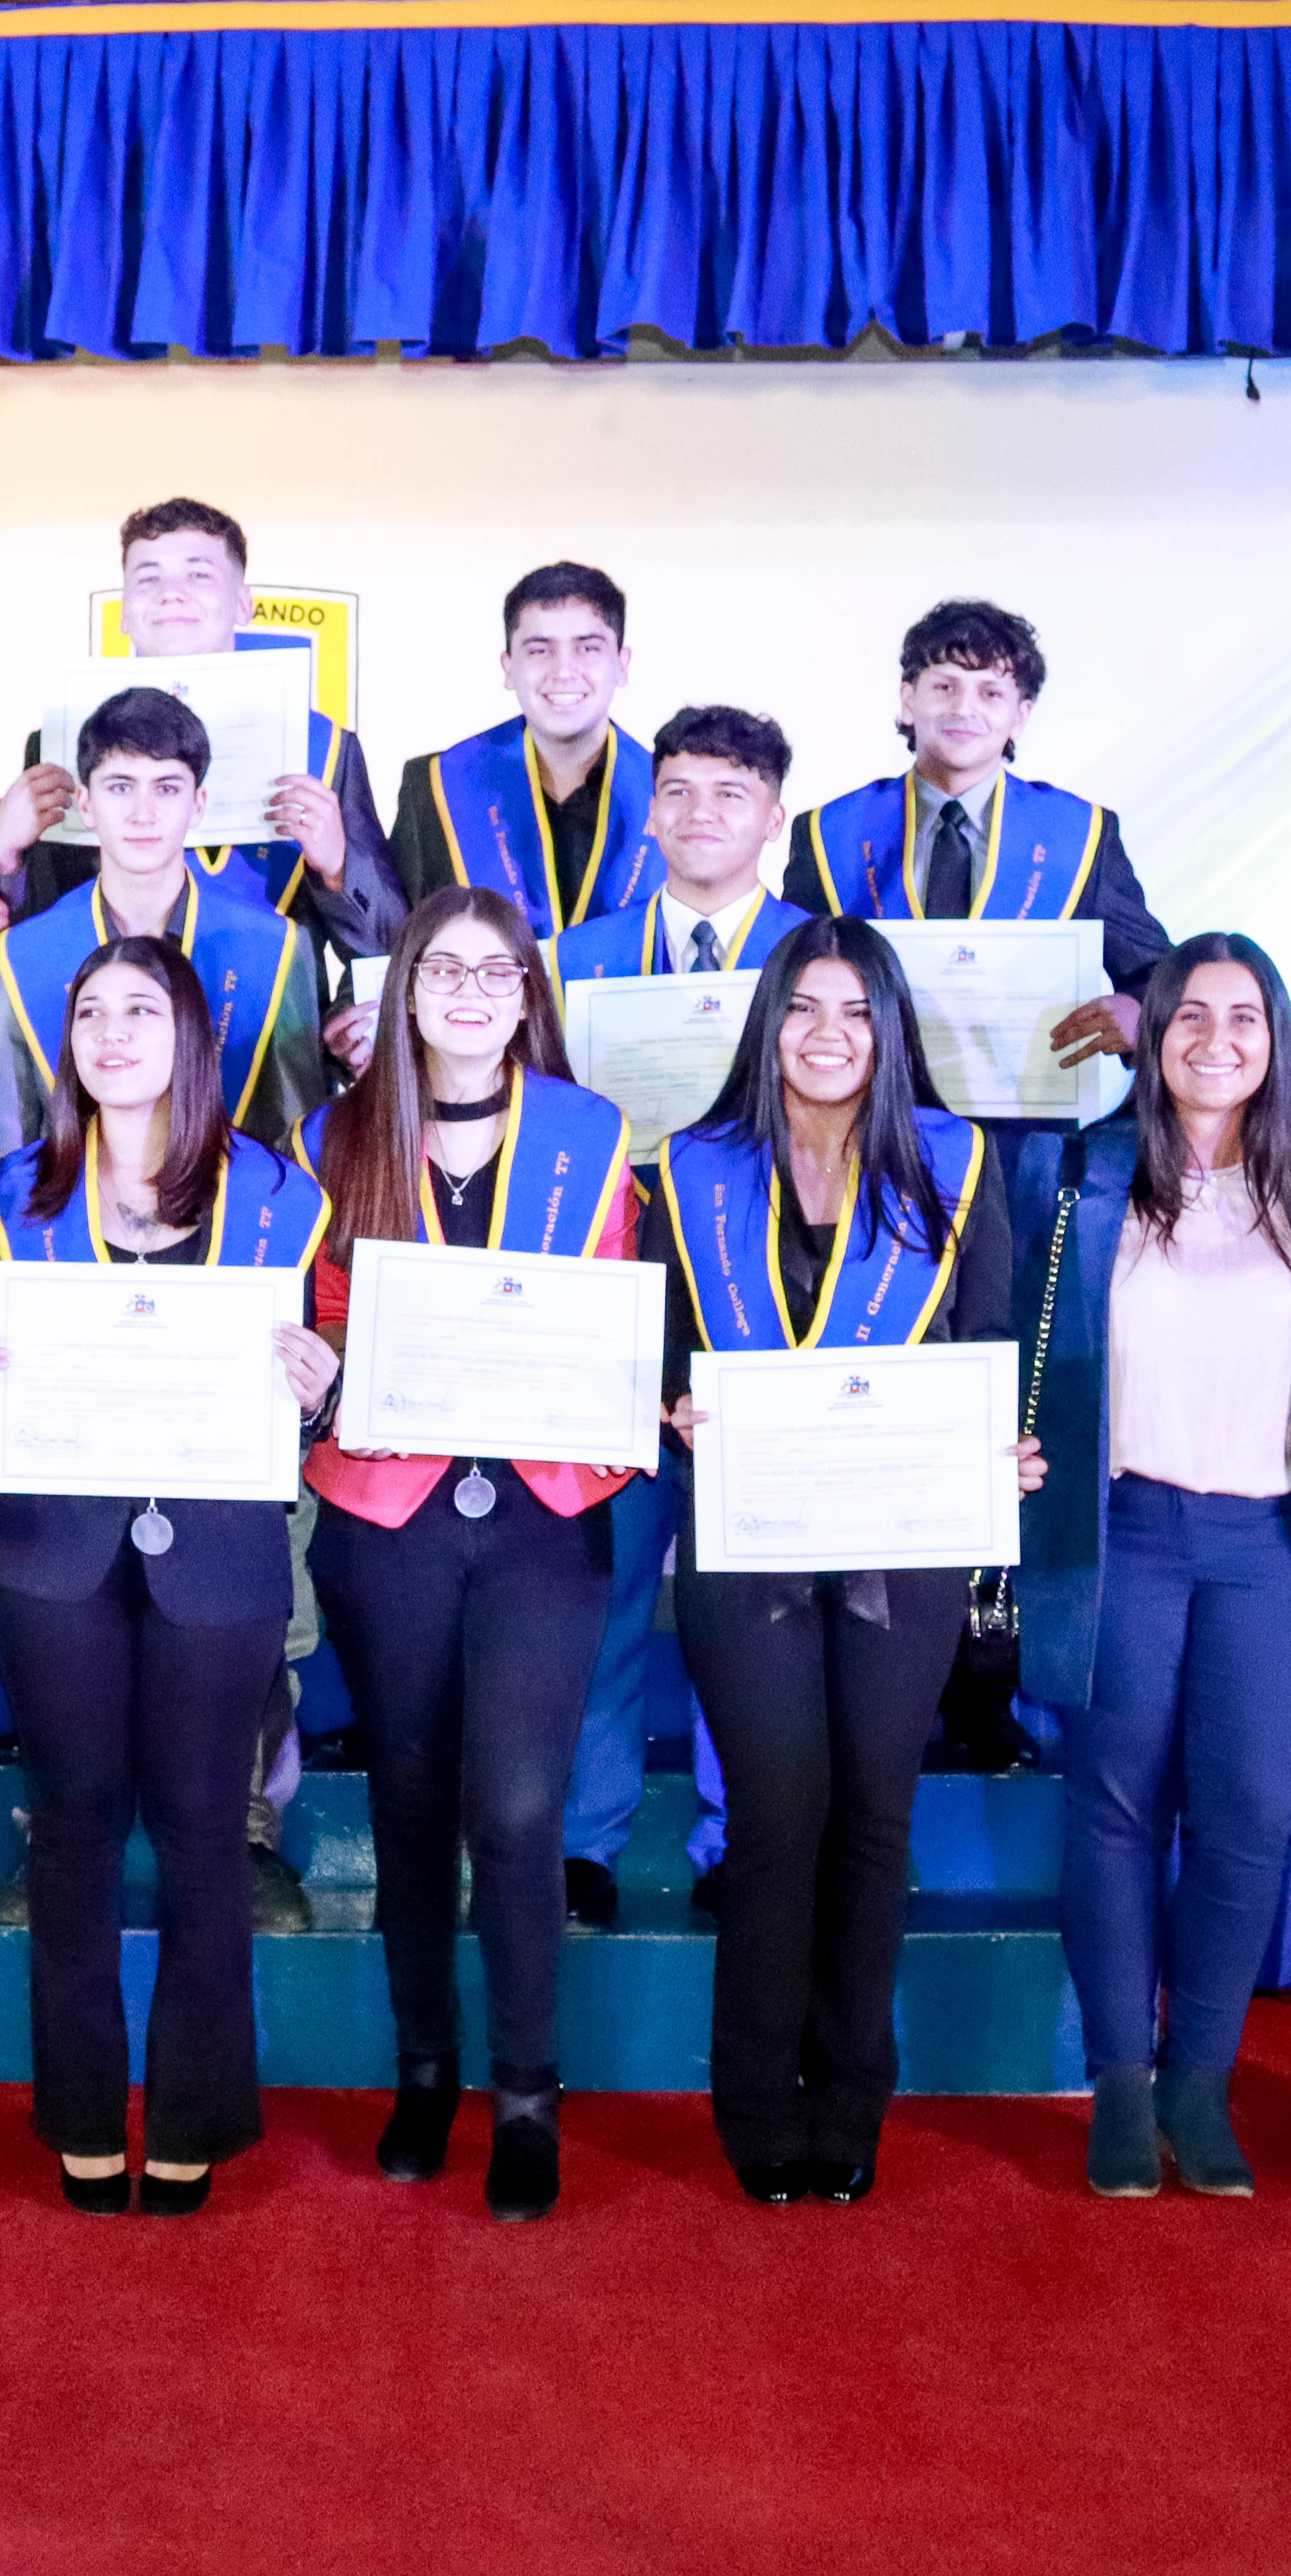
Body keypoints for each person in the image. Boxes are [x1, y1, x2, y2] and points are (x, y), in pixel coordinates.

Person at [648, 917, 1032, 2205]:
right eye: (802, 1006)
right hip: (744, 1537)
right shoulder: (689, 1170)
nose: (827, 1032)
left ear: (888, 1027)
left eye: (854, 1011)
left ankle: (849, 2093)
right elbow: (649, 1350)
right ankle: (756, 2095)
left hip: (900, 1545)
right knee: (773, 1815)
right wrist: (666, 1406)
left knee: (872, 1814)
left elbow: (985, 1343)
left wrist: (1001, 1450)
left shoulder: (953, 1166)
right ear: (767, 1022)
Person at [0, 938, 339, 2216]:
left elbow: (327, 1368)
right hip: (55, 1553)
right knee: (71, 1832)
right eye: (87, 1010)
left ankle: (190, 2113)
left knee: (200, 1840)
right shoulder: (10, 1192)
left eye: (140, 1009)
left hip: (219, 1551)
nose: (111, 1031)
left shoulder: (283, 1195)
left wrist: (317, 1381)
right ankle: (77, 2111)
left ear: (191, 1035)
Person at [298, 886, 639, 2224]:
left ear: (524, 994)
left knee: (513, 1813)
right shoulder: (337, 1133)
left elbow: (615, 1305)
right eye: (438, 968)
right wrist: (312, 1370)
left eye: (492, 972)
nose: (465, 992)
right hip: (389, 1511)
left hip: (544, 1512)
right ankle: (424, 2069)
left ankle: (525, 2095)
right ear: (401, 990)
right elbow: (322, 1313)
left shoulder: (590, 1134)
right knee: (408, 1806)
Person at [1010, 933, 1291, 2198]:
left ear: (1276, 1040)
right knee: (1111, 1808)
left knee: (1250, 1815)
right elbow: (1022, 1349)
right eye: (1185, 1012)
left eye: (1242, 1016)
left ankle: (1199, 2076)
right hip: (1126, 1533)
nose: (1212, 1036)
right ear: (1142, 1031)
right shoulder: (1078, 1173)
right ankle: (1117, 2082)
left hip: (1266, 1544)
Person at [541, 705, 820, 1927]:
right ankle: (579, 1839)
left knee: (750, 1593)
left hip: (771, 1319)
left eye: (732, 792)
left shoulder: (823, 958)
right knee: (599, 1589)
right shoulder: (574, 956)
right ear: (647, 809)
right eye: (680, 790)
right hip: (612, 1308)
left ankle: (735, 1835)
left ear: (774, 818)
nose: (701, 813)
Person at [0, 496, 406, 967]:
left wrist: (338, 868)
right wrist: (4, 862)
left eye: (198, 574)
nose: (170, 592)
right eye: (147, 577)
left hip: (271, 1024)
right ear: (122, 611)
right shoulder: (57, 746)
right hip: (97, 1023)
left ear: (242, 603)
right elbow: (28, 942)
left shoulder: (323, 748)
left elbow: (388, 945)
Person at [780, 597, 1169, 1071]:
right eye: (944, 686)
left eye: (990, 693)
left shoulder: (1080, 835)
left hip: (1029, 1128)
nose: (964, 708)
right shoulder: (830, 834)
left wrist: (1138, 1010)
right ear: (908, 700)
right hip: (872, 1118)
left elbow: (1158, 978)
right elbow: (788, 983)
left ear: (1019, 717)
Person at [0, 687, 331, 1167]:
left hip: (236, 1221)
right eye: (120, 786)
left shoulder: (276, 946)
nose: (143, 813)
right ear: (84, 803)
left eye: (166, 788)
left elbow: (300, 1141)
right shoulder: (20, 953)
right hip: (70, 1226)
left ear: (198, 803)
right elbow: (3, 1150)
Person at [387, 562, 662, 939]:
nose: (564, 671)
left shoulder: (667, 795)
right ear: (509, 667)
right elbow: (398, 940)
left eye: (588, 648)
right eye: (539, 650)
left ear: (622, 664)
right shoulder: (437, 787)